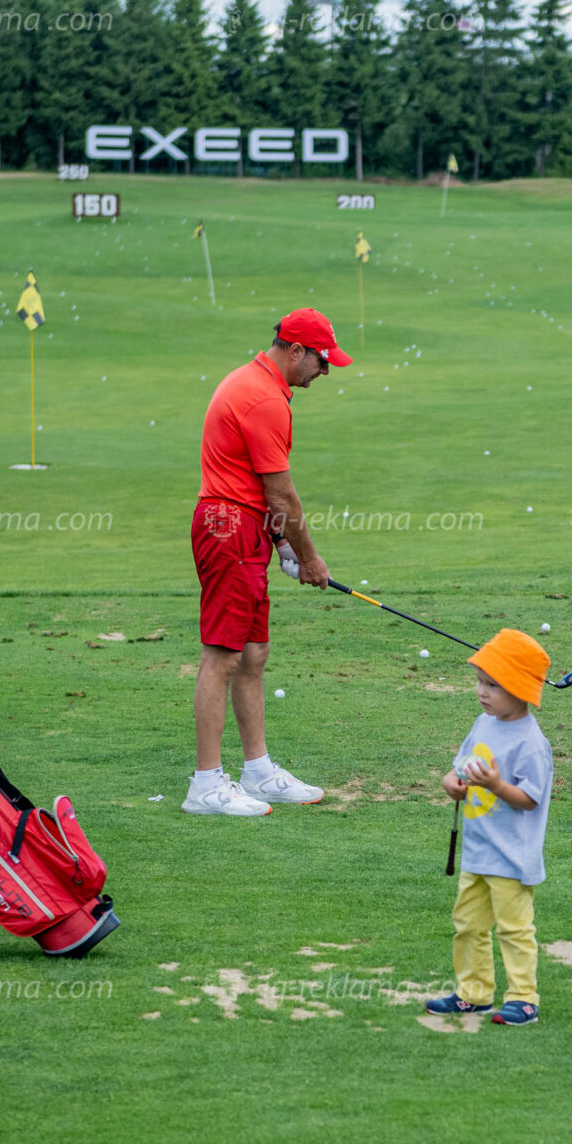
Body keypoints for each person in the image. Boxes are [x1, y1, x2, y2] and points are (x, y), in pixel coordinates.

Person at [185, 309, 348, 816]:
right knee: (223, 656)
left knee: (253, 655)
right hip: (228, 528)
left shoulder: (263, 388)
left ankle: (256, 772)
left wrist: (278, 547)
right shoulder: (262, 399)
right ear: (296, 350)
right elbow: (282, 496)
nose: (325, 372)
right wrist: (310, 558)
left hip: (245, 528)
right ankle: (206, 785)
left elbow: (263, 491)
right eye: (322, 362)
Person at [426, 629, 555, 1026]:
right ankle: (473, 993)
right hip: (478, 851)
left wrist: (497, 786)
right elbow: (463, 766)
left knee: (515, 929)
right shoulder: (484, 723)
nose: (482, 692)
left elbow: (530, 799)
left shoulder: (532, 743)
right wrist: (452, 782)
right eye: (480, 682)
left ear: (519, 689)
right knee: (468, 925)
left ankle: (523, 998)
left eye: (493, 685)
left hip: (513, 855)